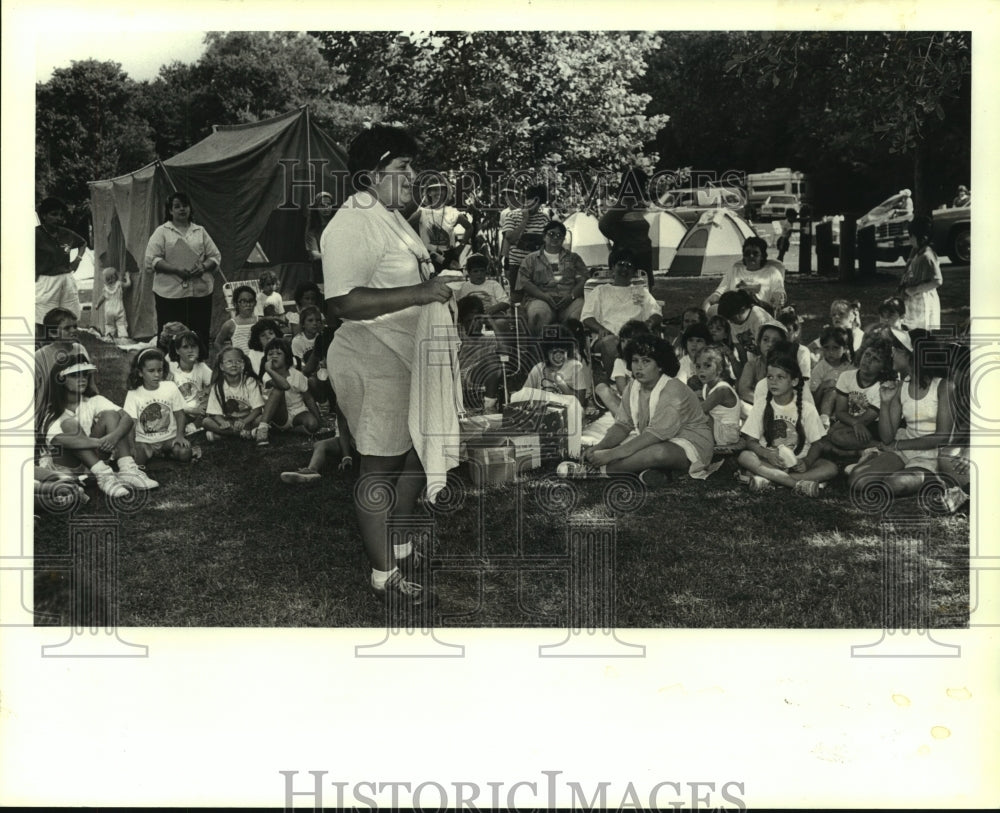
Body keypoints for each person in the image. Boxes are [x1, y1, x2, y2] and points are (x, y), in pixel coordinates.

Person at [322, 123, 456, 609]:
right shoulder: (353, 220)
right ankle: (383, 573)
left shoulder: (388, 214)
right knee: (379, 466)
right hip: (369, 351)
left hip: (405, 352)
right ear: (370, 175)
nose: (412, 175)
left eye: (411, 166)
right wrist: (421, 292)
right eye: (402, 167)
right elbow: (342, 301)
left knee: (415, 452)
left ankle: (397, 544)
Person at [557, 334, 714, 485]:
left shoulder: (673, 389)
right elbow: (623, 425)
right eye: (635, 361)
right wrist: (600, 447)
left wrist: (611, 454)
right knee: (634, 448)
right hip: (658, 439)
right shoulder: (633, 386)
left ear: (660, 365)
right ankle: (655, 472)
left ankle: (596, 471)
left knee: (657, 453)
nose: (639, 367)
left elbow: (655, 435)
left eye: (646, 361)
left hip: (691, 444)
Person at [846, 329, 955, 498]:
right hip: (905, 448)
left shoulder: (943, 386)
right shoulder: (901, 385)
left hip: (933, 456)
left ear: (912, 355)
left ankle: (936, 479)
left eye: (896, 350)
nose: (892, 354)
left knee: (893, 485)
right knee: (857, 479)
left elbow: (942, 437)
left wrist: (897, 446)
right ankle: (889, 466)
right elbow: (887, 438)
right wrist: (885, 402)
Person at [38, 354, 147, 497]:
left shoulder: (93, 400)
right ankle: (104, 475)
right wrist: (99, 442)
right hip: (65, 464)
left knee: (111, 414)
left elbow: (127, 418)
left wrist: (113, 437)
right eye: (75, 376)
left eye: (85, 375)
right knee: (70, 425)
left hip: (91, 459)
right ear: (61, 380)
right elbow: (58, 440)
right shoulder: (52, 409)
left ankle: (127, 469)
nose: (82, 379)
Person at [736, 352, 838, 496]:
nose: (773, 381)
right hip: (770, 461)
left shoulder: (806, 408)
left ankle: (769, 479)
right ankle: (797, 485)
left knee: (830, 468)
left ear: (794, 381)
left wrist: (807, 462)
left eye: (780, 377)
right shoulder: (761, 405)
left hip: (799, 463)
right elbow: (750, 442)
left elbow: (817, 444)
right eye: (770, 377)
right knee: (745, 457)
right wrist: (768, 454)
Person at [144, 192, 222, 349]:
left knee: (199, 333)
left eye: (185, 206)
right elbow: (151, 260)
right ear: (170, 211)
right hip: (170, 294)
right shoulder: (162, 232)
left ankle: (199, 366)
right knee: (170, 334)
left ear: (190, 209)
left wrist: (203, 266)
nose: (182, 209)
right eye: (177, 206)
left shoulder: (200, 231)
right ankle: (168, 367)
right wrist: (175, 270)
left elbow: (215, 256)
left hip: (199, 292)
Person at [581, 247, 662, 381]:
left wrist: (647, 324)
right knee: (611, 342)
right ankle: (616, 384)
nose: (624, 269)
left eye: (629, 266)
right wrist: (601, 329)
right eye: (621, 264)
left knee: (640, 343)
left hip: (635, 336)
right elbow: (587, 317)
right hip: (608, 336)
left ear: (634, 271)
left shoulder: (640, 291)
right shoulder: (600, 291)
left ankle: (638, 383)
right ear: (613, 267)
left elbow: (656, 313)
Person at [821, 338, 893, 455]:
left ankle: (883, 447)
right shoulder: (846, 376)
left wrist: (853, 424)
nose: (868, 361)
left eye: (875, 359)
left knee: (837, 437)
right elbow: (840, 411)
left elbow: (867, 419)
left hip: (874, 427)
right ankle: (858, 452)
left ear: (884, 367)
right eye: (867, 354)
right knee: (830, 435)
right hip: (853, 422)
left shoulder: (883, 386)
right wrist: (854, 423)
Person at [515, 219, 588, 336]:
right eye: (551, 234)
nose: (555, 238)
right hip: (541, 299)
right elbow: (524, 282)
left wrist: (571, 296)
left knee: (580, 315)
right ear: (544, 237)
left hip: (569, 300)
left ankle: (575, 351)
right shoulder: (530, 259)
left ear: (563, 239)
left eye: (559, 235)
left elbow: (583, 279)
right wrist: (544, 296)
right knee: (538, 315)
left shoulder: (574, 258)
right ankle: (538, 351)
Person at [123, 348, 191, 468]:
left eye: (160, 370)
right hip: (145, 441)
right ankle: (156, 454)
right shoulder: (134, 393)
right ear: (140, 372)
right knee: (136, 460)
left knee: (185, 453)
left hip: (169, 439)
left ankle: (166, 453)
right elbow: (130, 424)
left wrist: (180, 436)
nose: (157, 375)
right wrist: (132, 446)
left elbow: (180, 414)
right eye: (151, 371)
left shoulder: (170, 387)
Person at [35, 308, 90, 444]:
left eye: (75, 326)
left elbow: (90, 383)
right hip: (52, 410)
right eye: (67, 328)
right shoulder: (40, 357)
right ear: (53, 333)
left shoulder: (79, 349)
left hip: (79, 406)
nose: (73, 331)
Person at [35, 197, 87, 338]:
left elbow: (83, 243)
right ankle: (43, 348)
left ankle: (68, 344)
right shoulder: (35, 234)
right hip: (46, 281)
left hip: (66, 279)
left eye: (61, 215)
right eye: (54, 214)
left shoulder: (66, 233)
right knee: (43, 317)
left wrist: (78, 259)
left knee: (70, 314)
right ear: (44, 216)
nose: (58, 218)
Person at [256, 338, 321, 446]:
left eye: (278, 353)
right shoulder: (267, 375)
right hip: (279, 414)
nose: (273, 356)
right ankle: (263, 428)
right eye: (270, 354)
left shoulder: (297, 375)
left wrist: (318, 420)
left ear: (287, 357)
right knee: (278, 390)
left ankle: (285, 430)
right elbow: (284, 385)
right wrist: (270, 370)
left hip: (298, 411)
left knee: (312, 424)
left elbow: (308, 398)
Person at [598, 168, 655, 289]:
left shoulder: (636, 204)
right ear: (636, 185)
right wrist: (622, 240)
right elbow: (603, 224)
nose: (646, 188)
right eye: (643, 184)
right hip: (629, 259)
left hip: (643, 256)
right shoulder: (623, 204)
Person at [703, 236, 787, 315]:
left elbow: (779, 293)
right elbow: (719, 293)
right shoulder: (735, 270)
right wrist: (709, 301)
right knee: (713, 309)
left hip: (758, 311)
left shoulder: (772, 272)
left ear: (762, 256)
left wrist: (778, 297)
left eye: (755, 253)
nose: (751, 256)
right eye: (747, 253)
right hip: (733, 311)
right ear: (743, 255)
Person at [202, 347, 264, 441]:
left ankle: (223, 436)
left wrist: (244, 421)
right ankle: (246, 434)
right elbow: (214, 413)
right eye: (229, 362)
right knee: (206, 422)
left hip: (248, 419)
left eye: (238, 361)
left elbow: (258, 409)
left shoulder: (250, 381)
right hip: (229, 420)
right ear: (222, 366)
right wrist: (223, 422)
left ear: (243, 364)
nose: (234, 365)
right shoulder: (217, 386)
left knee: (262, 418)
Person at [521, 325, 589, 407]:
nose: (559, 356)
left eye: (562, 352)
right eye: (554, 352)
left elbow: (580, 402)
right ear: (546, 352)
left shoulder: (575, 367)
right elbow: (524, 395)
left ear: (568, 350)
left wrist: (560, 382)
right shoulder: (538, 368)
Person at [593, 320, 651, 415]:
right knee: (601, 388)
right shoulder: (619, 362)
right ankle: (627, 420)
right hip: (629, 405)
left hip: (649, 405)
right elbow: (623, 392)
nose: (624, 345)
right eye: (623, 341)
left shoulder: (651, 361)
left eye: (629, 341)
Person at [503, 183, 552, 296]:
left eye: (537, 203)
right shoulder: (512, 215)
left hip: (537, 266)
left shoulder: (544, 218)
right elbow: (510, 238)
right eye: (530, 200)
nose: (533, 205)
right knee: (517, 299)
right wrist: (525, 220)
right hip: (517, 265)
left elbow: (548, 242)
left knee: (536, 297)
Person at [898, 215, 943, 331]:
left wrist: (915, 289)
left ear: (923, 238)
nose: (909, 240)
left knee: (923, 331)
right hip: (914, 301)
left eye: (911, 237)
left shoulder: (927, 256)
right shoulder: (918, 253)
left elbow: (937, 280)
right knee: (912, 331)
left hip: (923, 301)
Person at [809, 326, 856, 429]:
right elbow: (812, 400)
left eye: (835, 348)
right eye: (826, 348)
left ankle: (837, 421)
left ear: (845, 349)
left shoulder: (850, 368)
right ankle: (824, 421)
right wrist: (823, 386)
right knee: (832, 391)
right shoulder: (819, 368)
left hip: (845, 407)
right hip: (822, 406)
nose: (830, 352)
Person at [695, 344, 741, 447]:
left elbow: (700, 410)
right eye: (698, 366)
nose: (701, 370)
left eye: (707, 365)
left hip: (727, 433)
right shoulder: (706, 385)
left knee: (700, 416)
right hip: (716, 427)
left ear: (719, 369)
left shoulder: (722, 389)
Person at [168, 330, 212, 435]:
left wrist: (206, 396)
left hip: (198, 409)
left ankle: (195, 425)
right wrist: (192, 410)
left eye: (194, 346)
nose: (190, 350)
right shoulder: (171, 368)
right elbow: (169, 398)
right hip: (179, 409)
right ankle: (187, 427)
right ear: (177, 350)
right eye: (185, 347)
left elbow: (215, 385)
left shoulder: (201, 367)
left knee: (212, 405)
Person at [215, 285, 259, 353]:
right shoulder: (230, 324)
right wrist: (227, 356)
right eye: (243, 301)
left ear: (255, 303)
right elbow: (218, 343)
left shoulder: (259, 321)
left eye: (251, 301)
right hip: (241, 361)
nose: (248, 304)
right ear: (236, 304)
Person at [93, 266, 131, 339]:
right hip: (119, 308)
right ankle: (123, 337)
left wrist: (97, 305)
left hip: (108, 310)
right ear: (114, 277)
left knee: (109, 325)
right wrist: (127, 277)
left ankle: (109, 337)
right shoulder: (119, 284)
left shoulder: (105, 288)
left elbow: (102, 298)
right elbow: (128, 284)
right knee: (121, 323)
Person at [676, 323, 713, 390]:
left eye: (699, 341)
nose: (694, 344)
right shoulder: (680, 365)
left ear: (707, 343)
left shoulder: (713, 362)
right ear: (685, 343)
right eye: (691, 340)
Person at [305, 191, 336, 267]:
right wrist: (335, 256)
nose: (326, 207)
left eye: (329, 204)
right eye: (322, 205)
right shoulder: (312, 231)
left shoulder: (337, 225)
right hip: (321, 267)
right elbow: (315, 255)